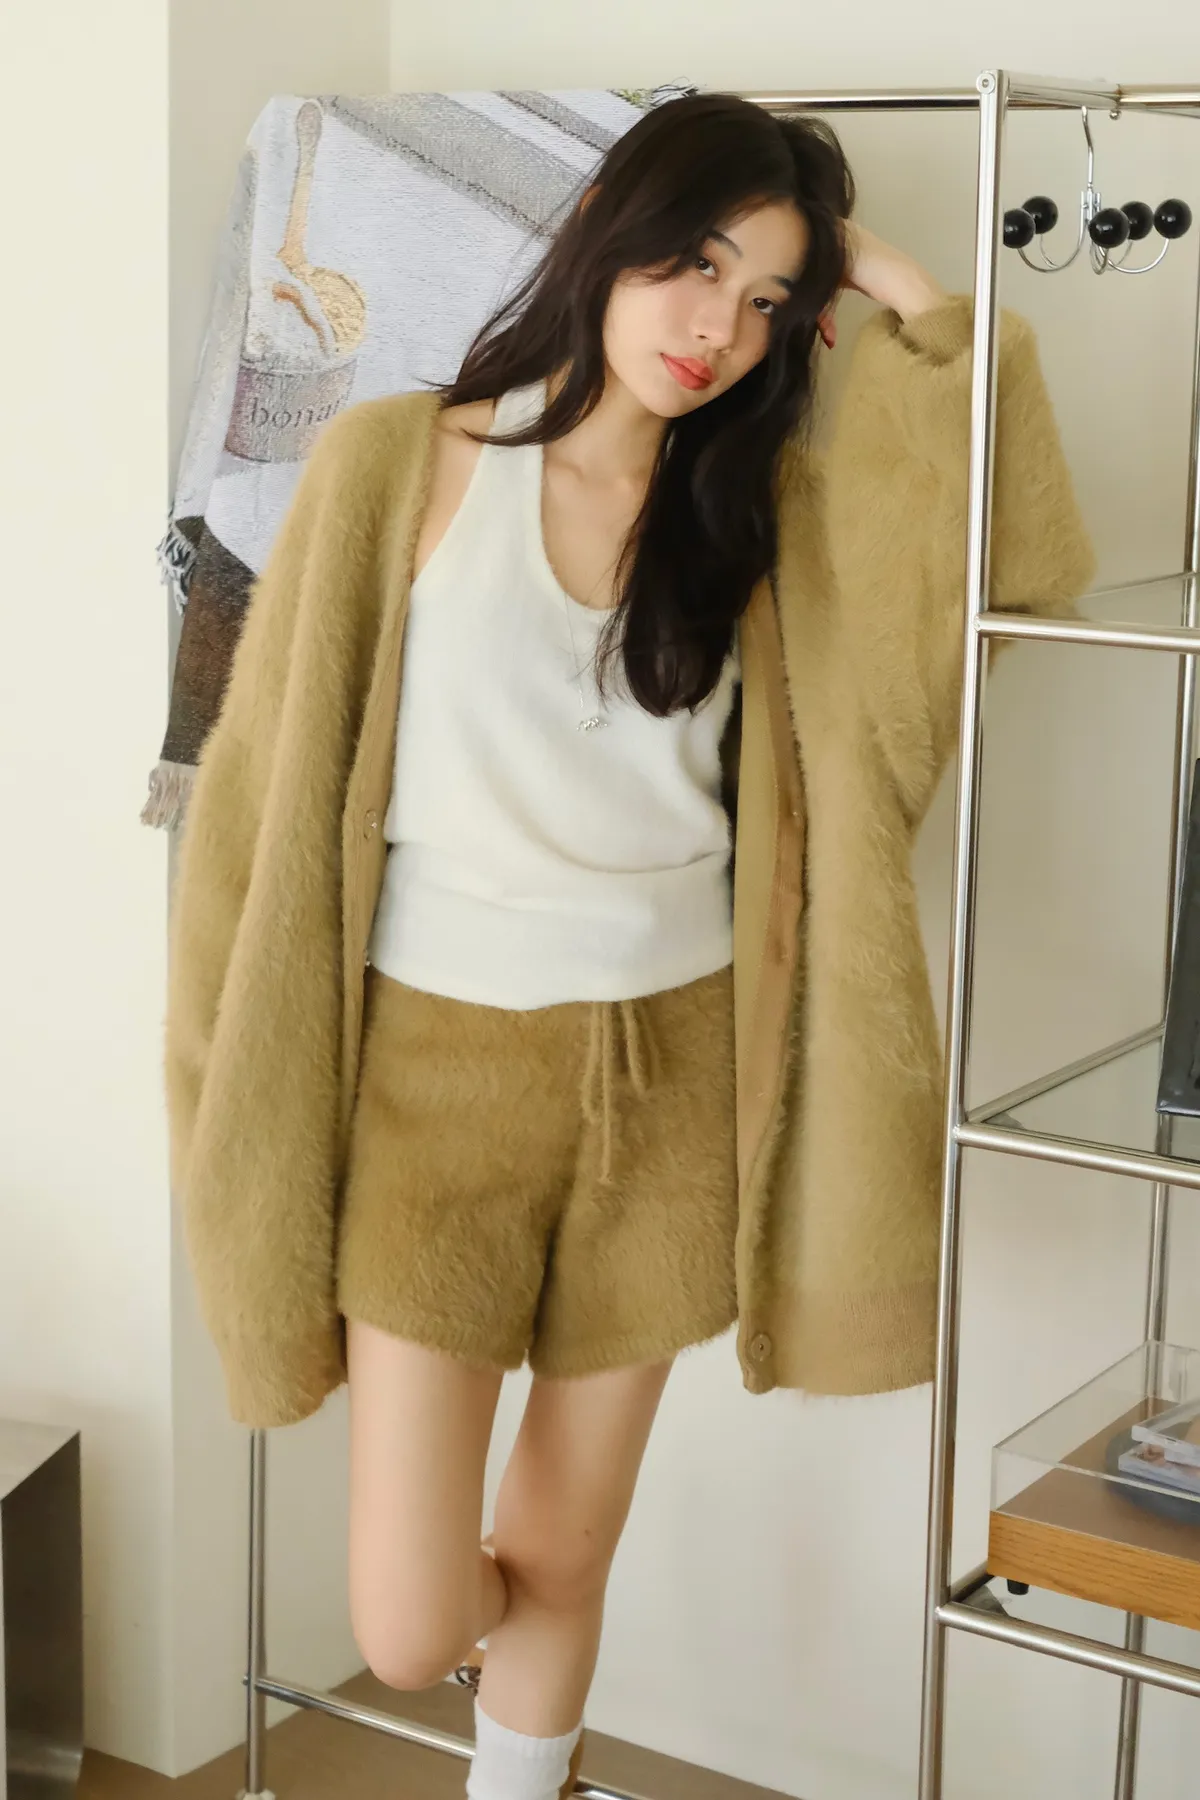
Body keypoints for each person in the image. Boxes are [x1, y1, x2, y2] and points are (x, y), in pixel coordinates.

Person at [162, 90, 1095, 1800]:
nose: (715, 328)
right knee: (407, 1619)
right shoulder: (400, 464)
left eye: (768, 299)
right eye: (697, 263)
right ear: (609, 225)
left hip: (674, 1080)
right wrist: (224, 1075)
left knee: (564, 1555)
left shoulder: (760, 514)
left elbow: (998, 566)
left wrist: (901, 289)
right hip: (431, 1083)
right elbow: (258, 802)